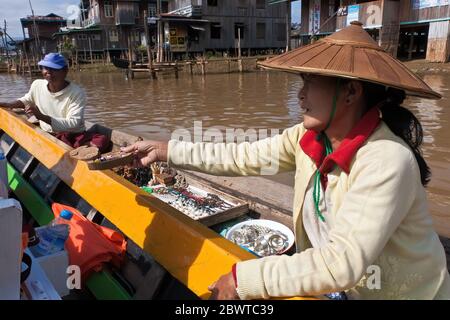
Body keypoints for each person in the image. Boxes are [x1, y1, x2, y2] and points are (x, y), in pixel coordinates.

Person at [122, 22, 450, 299]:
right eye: (302, 83)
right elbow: (241, 157)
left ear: (350, 93)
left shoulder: (386, 159)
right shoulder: (306, 139)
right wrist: (167, 151)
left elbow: (342, 263)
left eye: (310, 83)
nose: (300, 95)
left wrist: (242, 279)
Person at [0, 53, 109, 152]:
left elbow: (73, 123)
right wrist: (9, 105)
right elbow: (27, 99)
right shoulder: (37, 85)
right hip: (49, 133)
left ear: (65, 71)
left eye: (54, 69)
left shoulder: (76, 93)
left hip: (73, 134)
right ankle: (78, 150)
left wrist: (41, 117)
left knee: (102, 140)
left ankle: (79, 149)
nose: (48, 72)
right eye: (45, 68)